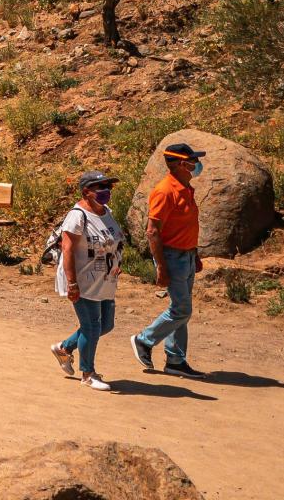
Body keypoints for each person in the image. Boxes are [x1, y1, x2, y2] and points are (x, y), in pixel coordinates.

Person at [131, 142, 207, 379]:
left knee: (180, 312)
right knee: (182, 310)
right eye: (193, 160)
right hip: (172, 257)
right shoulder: (165, 191)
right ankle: (144, 340)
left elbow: (187, 225)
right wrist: (161, 266)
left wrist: (195, 254)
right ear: (182, 164)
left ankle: (175, 360)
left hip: (187, 256)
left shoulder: (186, 188)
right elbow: (152, 231)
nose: (197, 164)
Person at [51, 171, 125, 391]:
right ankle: (88, 373)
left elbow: (113, 241)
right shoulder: (77, 216)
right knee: (92, 326)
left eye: (108, 186)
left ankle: (65, 348)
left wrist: (117, 262)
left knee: (105, 325)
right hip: (82, 280)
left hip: (104, 279)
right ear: (86, 191)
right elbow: (68, 249)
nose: (106, 191)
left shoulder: (106, 212)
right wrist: (72, 283)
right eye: (100, 187)